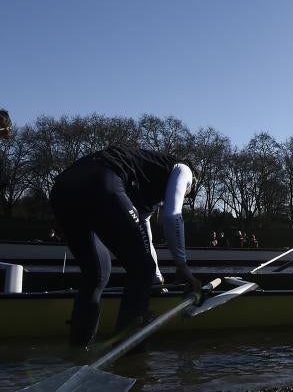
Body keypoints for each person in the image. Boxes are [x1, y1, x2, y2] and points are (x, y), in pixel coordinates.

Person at [49, 144, 202, 346]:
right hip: (102, 181)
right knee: (141, 269)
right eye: (188, 194)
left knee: (96, 273)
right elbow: (172, 217)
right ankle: (130, 354)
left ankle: (78, 350)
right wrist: (182, 265)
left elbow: (143, 228)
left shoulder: (147, 181)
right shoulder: (184, 170)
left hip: (62, 188)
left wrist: (155, 278)